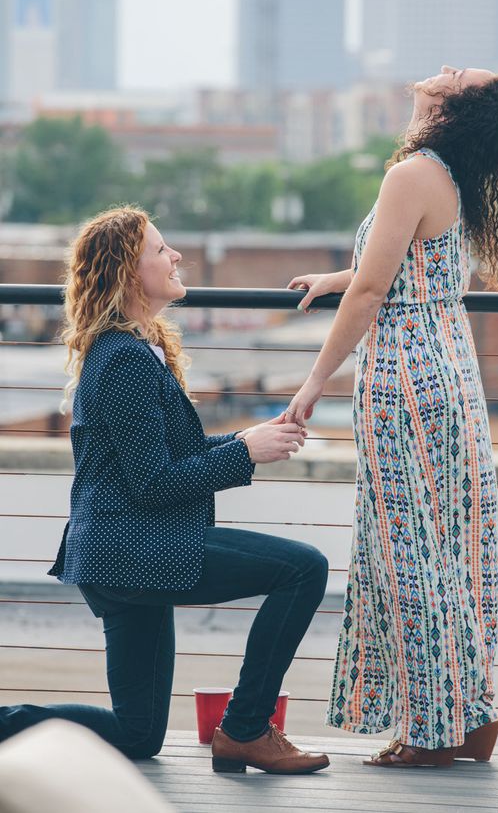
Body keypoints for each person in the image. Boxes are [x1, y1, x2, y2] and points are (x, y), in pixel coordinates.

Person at [0, 206, 330, 776]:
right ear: (131, 273)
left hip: (119, 555)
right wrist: (244, 454)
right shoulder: (123, 359)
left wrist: (248, 438)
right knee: (303, 570)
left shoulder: (132, 349)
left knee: (137, 735)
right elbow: (154, 485)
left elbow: (162, 460)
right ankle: (246, 729)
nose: (175, 256)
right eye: (160, 250)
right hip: (136, 551)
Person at [285, 66, 498, 767]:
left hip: (404, 378)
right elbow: (399, 265)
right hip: (449, 370)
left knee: (409, 555)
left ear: (454, 106)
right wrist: (340, 278)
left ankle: (430, 731)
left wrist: (312, 383)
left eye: (459, 74)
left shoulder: (413, 173)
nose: (445, 68)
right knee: (449, 547)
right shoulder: (443, 176)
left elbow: (371, 292)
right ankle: (468, 713)